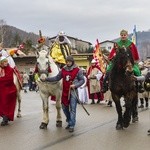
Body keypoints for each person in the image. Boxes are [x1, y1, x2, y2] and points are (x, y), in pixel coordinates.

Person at [41, 55, 84, 132]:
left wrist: (75, 85)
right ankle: (69, 121)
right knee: (64, 108)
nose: (68, 63)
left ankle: (72, 125)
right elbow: (56, 78)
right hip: (65, 92)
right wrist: (46, 79)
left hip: (73, 92)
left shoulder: (78, 70)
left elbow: (82, 80)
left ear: (72, 62)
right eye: (67, 62)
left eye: (70, 62)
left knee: (73, 109)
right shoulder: (63, 70)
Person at [0, 56, 17, 126]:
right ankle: (5, 116)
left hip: (8, 89)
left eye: (6, 61)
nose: (6, 63)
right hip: (1, 88)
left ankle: (5, 118)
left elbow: (9, 80)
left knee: (5, 103)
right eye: (4, 62)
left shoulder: (10, 69)